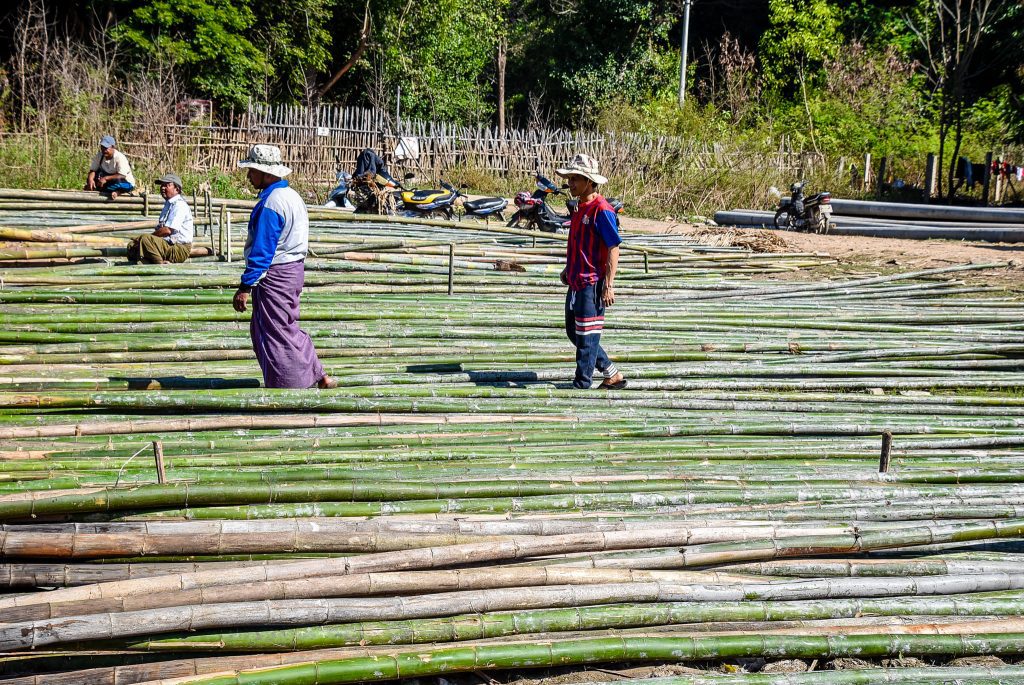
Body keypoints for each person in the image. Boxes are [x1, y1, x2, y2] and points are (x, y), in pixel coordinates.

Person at [233, 144, 336, 389]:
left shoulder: (273, 203)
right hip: (293, 270)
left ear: (267, 174)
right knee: (284, 325)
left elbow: (263, 250)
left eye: (252, 171)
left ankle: (287, 387)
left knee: (276, 332)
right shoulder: (292, 196)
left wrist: (245, 286)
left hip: (276, 273)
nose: (249, 176)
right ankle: (318, 374)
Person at [556, 153, 626, 390]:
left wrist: (608, 284)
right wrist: (569, 267)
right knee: (574, 332)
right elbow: (579, 244)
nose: (571, 183)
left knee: (587, 337)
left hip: (592, 282)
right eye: (571, 178)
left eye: (576, 178)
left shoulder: (602, 210)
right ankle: (611, 373)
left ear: (589, 181)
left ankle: (581, 384)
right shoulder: (578, 208)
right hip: (576, 280)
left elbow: (613, 247)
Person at [127, 173, 193, 264]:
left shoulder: (179, 205)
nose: (162, 188)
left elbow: (167, 230)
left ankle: (160, 264)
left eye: (167, 185)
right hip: (167, 245)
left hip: (178, 248)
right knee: (132, 245)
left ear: (176, 189)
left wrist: (148, 238)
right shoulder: (168, 204)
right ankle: (146, 263)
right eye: (162, 185)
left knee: (145, 239)